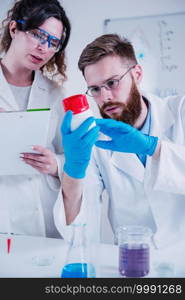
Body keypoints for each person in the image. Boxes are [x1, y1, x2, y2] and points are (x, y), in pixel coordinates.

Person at [56, 33, 185, 249]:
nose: (105, 97)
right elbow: (78, 229)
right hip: (131, 262)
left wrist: (153, 148)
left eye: (112, 82)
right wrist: (73, 171)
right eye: (95, 89)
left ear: (137, 74)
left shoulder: (180, 111)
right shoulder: (97, 142)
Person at [0, 0, 71, 238]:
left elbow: (71, 156)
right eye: (38, 35)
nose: (44, 48)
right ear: (13, 29)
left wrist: (56, 166)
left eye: (53, 42)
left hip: (44, 216)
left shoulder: (55, 94)